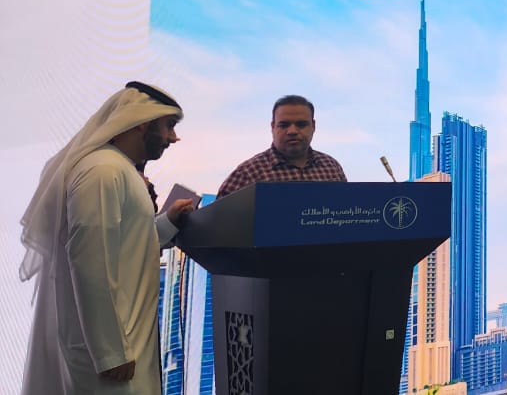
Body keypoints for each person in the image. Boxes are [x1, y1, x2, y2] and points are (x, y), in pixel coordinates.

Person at [18, 81, 196, 395]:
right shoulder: (101, 171)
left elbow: (127, 244)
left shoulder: (119, 169)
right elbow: (90, 261)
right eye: (168, 125)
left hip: (125, 345)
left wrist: (168, 221)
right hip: (111, 357)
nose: (173, 137)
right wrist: (109, 352)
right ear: (142, 122)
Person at [216, 94, 346, 198]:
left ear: (313, 126)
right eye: (284, 125)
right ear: (273, 127)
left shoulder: (332, 167)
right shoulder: (247, 174)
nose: (292, 131)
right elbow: (219, 219)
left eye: (301, 124)